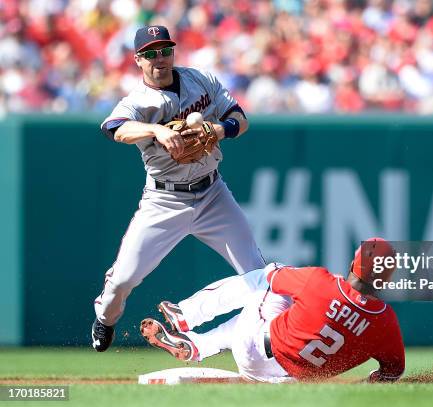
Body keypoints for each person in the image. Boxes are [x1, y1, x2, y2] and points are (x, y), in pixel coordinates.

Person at [91, 26, 265, 352]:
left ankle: (257, 345)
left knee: (259, 277)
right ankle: (105, 316)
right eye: (151, 53)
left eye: (165, 50)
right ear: (138, 59)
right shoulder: (139, 101)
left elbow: (240, 118)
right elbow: (113, 128)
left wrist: (220, 129)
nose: (160, 59)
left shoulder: (201, 79)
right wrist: (155, 129)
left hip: (213, 195)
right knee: (123, 281)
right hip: (164, 199)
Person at [140, 238, 405, 383]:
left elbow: (274, 277)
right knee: (264, 315)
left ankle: (185, 315)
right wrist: (369, 382)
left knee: (265, 280)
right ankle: (199, 344)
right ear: (387, 279)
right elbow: (393, 371)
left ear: (353, 262)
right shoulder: (386, 323)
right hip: (288, 380)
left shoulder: (321, 282)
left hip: (256, 350)